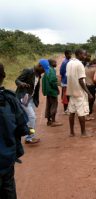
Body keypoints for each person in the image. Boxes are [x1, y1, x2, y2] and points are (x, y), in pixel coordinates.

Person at [0, 63, 29, 199]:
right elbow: (23, 127)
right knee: (8, 189)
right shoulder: (9, 99)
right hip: (5, 158)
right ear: (3, 77)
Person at [15, 59, 49, 144]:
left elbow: (36, 89)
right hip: (24, 97)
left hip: (31, 99)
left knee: (30, 118)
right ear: (39, 66)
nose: (44, 71)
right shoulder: (28, 71)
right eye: (44, 69)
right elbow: (17, 80)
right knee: (32, 117)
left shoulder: (39, 75)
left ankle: (28, 136)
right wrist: (21, 84)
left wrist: (35, 99)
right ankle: (29, 137)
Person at [66, 49, 93, 137]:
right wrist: (88, 93)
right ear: (80, 54)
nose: (85, 57)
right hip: (79, 92)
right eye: (84, 55)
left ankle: (71, 132)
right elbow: (81, 80)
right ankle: (83, 133)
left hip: (71, 91)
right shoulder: (80, 64)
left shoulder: (69, 63)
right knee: (81, 113)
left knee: (72, 112)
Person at [42, 59, 62, 127]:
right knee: (54, 105)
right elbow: (52, 81)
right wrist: (57, 89)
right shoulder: (52, 70)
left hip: (48, 91)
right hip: (52, 91)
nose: (56, 63)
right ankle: (53, 121)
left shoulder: (47, 70)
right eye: (55, 62)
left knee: (49, 105)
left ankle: (49, 121)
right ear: (51, 63)